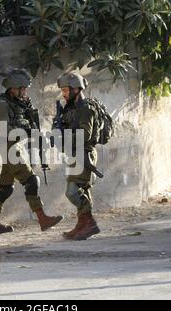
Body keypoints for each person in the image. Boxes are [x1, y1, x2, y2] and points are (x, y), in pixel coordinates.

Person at [0, 69, 63, 234]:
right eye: (22, 88)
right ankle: (43, 218)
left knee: (5, 187)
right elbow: (4, 130)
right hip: (9, 148)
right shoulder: (1, 104)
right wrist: (26, 129)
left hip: (15, 146)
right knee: (31, 181)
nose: (25, 91)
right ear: (13, 88)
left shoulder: (16, 102)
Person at [56, 72, 101, 240]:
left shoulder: (85, 108)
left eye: (66, 90)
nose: (64, 94)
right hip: (75, 153)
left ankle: (89, 223)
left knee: (72, 192)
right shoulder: (71, 108)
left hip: (84, 154)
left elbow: (85, 134)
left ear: (76, 89)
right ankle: (83, 225)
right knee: (82, 190)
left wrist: (64, 138)